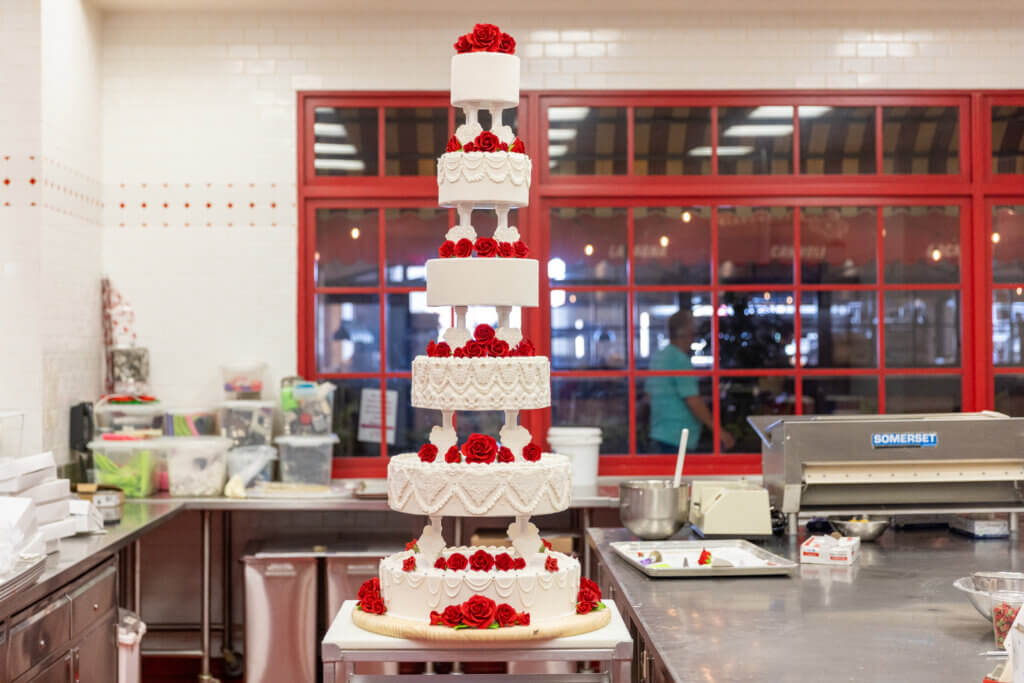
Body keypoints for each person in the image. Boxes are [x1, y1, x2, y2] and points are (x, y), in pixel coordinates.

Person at [647, 310, 735, 453]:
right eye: (692, 333)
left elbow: (649, 395)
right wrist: (719, 432)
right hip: (678, 436)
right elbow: (692, 400)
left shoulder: (659, 356)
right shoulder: (680, 361)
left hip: (658, 432)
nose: (693, 339)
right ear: (683, 333)